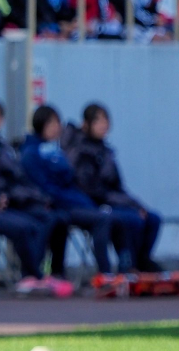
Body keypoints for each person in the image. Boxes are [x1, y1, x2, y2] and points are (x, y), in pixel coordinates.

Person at [0, 97, 75, 292]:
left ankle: (46, 273)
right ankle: (31, 275)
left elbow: (18, 179)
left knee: (56, 218)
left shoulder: (1, 145)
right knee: (28, 224)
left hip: (9, 199)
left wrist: (39, 198)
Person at [20, 104, 119, 272]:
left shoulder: (56, 151)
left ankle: (124, 267)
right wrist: (76, 201)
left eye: (58, 122)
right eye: (52, 123)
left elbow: (69, 180)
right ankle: (106, 272)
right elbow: (45, 187)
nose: (57, 127)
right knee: (100, 219)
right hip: (56, 204)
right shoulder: (31, 153)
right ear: (41, 124)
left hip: (69, 202)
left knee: (114, 216)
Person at [66, 103, 162, 271]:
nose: (103, 125)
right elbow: (91, 189)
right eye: (98, 121)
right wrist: (127, 205)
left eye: (106, 120)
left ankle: (142, 260)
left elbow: (118, 187)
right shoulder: (81, 152)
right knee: (133, 219)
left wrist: (135, 204)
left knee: (153, 218)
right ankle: (128, 265)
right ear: (86, 124)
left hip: (113, 200)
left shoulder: (106, 151)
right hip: (94, 204)